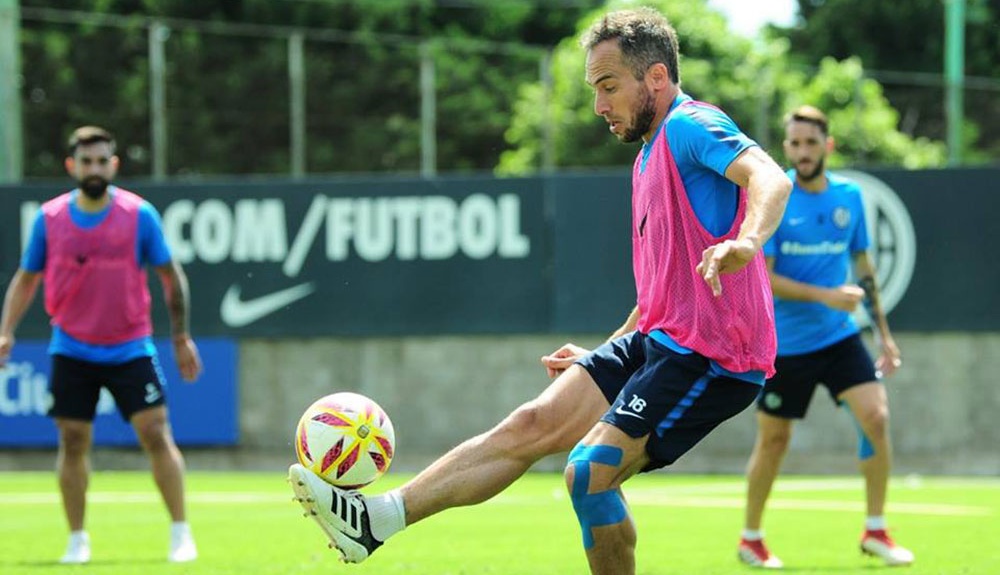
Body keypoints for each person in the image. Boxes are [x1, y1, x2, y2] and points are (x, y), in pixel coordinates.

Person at [287, 8, 791, 573]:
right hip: (661, 341)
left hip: (714, 357)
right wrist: (607, 351)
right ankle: (375, 521)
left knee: (590, 470)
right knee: (530, 425)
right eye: (594, 89)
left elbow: (770, 176)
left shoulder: (690, 125)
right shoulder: (649, 153)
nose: (599, 105)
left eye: (608, 87)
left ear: (655, 77)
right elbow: (664, 295)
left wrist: (747, 242)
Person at [0, 126, 203, 564]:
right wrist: (6, 330)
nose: (95, 168)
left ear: (114, 165)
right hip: (72, 347)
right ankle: (77, 539)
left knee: (154, 432)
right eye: (86, 161)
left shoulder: (139, 216)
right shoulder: (50, 220)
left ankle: (180, 532)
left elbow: (172, 275)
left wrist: (181, 335)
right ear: (72, 166)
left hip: (131, 346)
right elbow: (26, 278)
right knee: (72, 440)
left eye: (102, 160)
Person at [736, 106, 914, 568]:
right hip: (786, 345)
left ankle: (875, 529)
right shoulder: (776, 197)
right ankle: (751, 537)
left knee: (875, 417)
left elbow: (865, 267)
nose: (802, 151)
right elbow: (766, 278)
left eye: (810, 143)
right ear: (787, 148)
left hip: (839, 338)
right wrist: (827, 295)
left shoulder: (849, 197)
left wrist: (884, 337)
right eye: (793, 143)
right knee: (773, 442)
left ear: (827, 146)